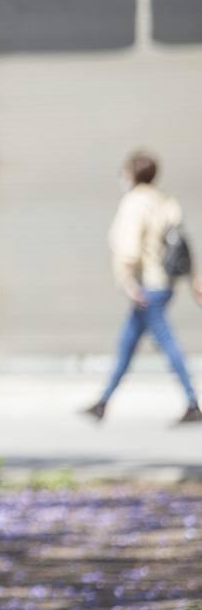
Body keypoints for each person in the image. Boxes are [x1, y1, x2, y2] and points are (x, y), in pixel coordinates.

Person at [83, 151, 202, 424]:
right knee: (127, 343)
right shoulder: (165, 201)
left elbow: (128, 248)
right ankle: (103, 402)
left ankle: (193, 402)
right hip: (165, 284)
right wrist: (193, 278)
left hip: (148, 287)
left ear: (132, 174)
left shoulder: (135, 203)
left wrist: (128, 283)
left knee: (166, 342)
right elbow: (181, 243)